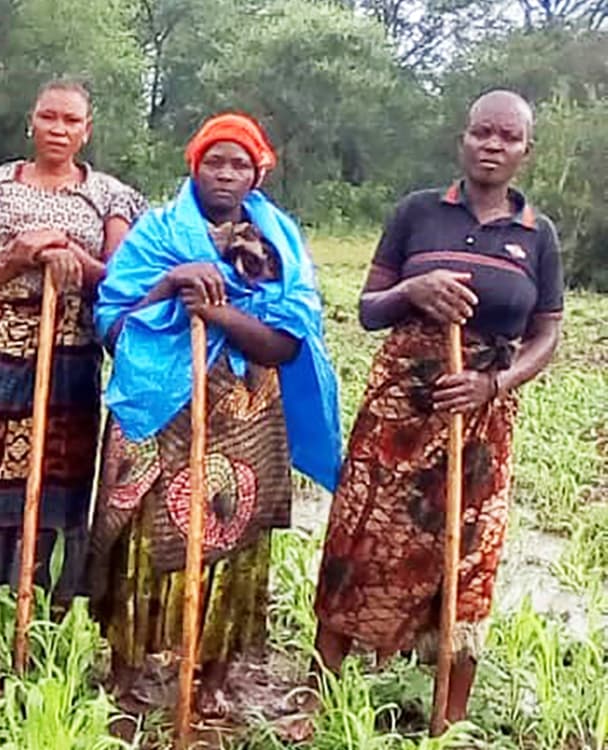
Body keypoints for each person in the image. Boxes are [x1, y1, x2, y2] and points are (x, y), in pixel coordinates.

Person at [313, 90, 563, 725]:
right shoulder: (418, 213)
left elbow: (547, 335)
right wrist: (413, 288)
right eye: (483, 132)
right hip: (398, 410)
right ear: (464, 138)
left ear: (525, 152)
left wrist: (493, 385)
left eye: (508, 137)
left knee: (467, 555)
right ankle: (320, 697)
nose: (493, 145)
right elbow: (369, 311)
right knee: (360, 538)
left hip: (478, 419)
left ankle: (447, 719)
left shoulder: (537, 235)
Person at [89, 113, 342, 715]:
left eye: (240, 164)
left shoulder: (278, 243)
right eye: (214, 161)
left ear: (258, 172)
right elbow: (112, 324)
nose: (226, 174)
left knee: (233, 541)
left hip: (243, 419)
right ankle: (129, 670)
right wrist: (173, 281)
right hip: (157, 412)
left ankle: (212, 678)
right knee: (139, 542)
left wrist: (219, 315)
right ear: (193, 165)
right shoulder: (156, 234)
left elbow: (286, 342)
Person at [0, 79, 143, 603]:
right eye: (48, 117)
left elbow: (123, 282)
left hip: (71, 356)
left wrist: (76, 259)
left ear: (86, 131)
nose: (58, 129)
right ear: (30, 122)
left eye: (71, 121)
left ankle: (46, 605)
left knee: (60, 477)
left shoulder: (109, 196)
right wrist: (16, 258)